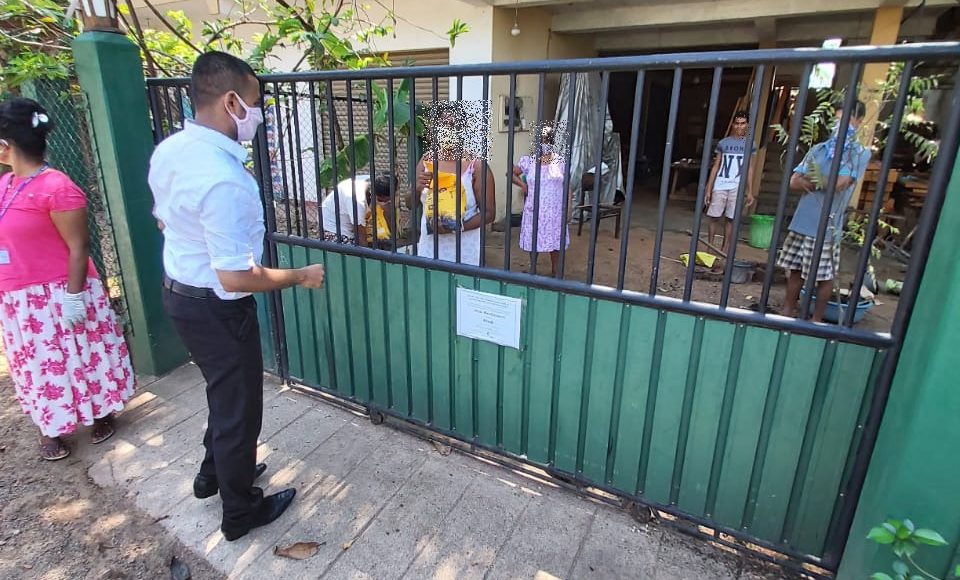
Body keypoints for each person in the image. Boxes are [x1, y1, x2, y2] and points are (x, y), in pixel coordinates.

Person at [149, 52, 325, 541]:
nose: (259, 115)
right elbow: (235, 277)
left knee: (223, 394)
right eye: (255, 103)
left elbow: (163, 220)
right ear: (231, 102)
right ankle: (240, 511)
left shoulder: (171, 151)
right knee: (240, 410)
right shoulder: (223, 178)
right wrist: (300, 275)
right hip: (217, 309)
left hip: (180, 295)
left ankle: (215, 474)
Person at [0, 97, 133, 461]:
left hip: (59, 291)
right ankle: (50, 425)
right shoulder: (6, 184)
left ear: (6, 145)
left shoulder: (56, 187)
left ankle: (100, 412)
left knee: (79, 356)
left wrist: (74, 297)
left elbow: (79, 245)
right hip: (19, 298)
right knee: (36, 365)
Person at [778, 101, 871, 322]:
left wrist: (813, 180)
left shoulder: (859, 154)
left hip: (827, 225)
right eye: (837, 120)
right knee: (795, 269)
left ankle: (816, 320)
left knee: (824, 276)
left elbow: (840, 184)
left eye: (846, 120)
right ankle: (788, 312)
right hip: (803, 219)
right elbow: (794, 181)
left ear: (858, 122)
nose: (839, 125)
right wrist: (820, 181)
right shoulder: (819, 149)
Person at [413, 102, 496, 266]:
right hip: (430, 249)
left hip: (464, 251)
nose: (448, 130)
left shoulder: (476, 166)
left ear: (462, 130)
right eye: (443, 125)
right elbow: (410, 203)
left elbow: (489, 213)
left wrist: (456, 227)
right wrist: (417, 188)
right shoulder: (426, 160)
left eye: (453, 126)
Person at [512, 124, 571, 276]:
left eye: (548, 140)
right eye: (543, 140)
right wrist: (523, 185)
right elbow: (511, 173)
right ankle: (532, 268)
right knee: (534, 239)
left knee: (555, 241)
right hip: (535, 209)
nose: (545, 143)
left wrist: (569, 209)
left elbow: (568, 186)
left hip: (555, 210)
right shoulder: (529, 161)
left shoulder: (560, 162)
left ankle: (556, 271)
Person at [704, 110, 756, 256]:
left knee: (731, 218)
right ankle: (710, 247)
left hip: (737, 185)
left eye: (742, 124)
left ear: (747, 125)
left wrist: (750, 191)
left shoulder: (750, 145)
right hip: (721, 183)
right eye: (737, 123)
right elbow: (716, 166)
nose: (739, 126)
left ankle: (725, 249)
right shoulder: (723, 143)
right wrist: (709, 188)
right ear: (733, 124)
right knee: (714, 216)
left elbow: (750, 168)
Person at [321, 172, 397, 246]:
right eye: (382, 201)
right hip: (334, 230)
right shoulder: (357, 200)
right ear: (374, 195)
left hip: (349, 223)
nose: (386, 203)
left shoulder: (375, 182)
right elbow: (360, 235)